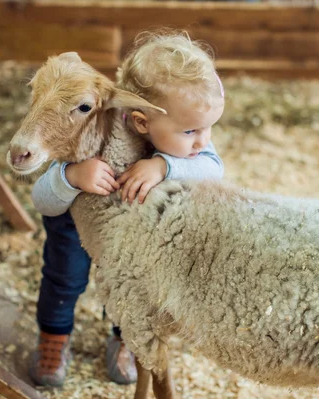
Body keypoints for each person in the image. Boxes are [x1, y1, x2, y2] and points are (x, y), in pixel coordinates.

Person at [29, 31, 226, 387]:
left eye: (209, 127)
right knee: (64, 279)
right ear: (140, 121)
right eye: (192, 130)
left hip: (131, 236)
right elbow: (41, 198)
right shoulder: (93, 126)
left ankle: (124, 339)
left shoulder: (184, 146)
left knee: (131, 286)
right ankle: (54, 338)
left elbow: (214, 168)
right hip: (74, 229)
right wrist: (72, 176)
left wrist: (164, 166)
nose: (204, 141)